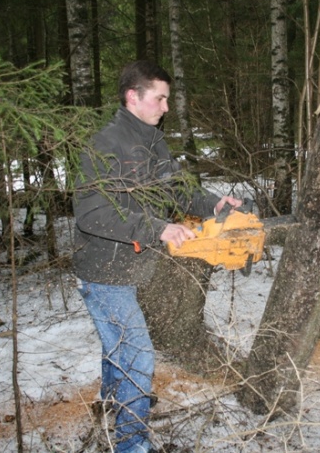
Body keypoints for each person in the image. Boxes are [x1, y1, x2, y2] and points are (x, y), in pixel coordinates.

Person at [72, 60, 241, 453]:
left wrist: (215, 203)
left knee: (118, 350)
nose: (166, 107)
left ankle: (110, 412)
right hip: (103, 271)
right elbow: (91, 213)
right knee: (138, 358)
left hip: (131, 267)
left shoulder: (153, 141)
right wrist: (157, 228)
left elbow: (176, 191)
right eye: (160, 98)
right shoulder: (104, 143)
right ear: (134, 96)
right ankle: (132, 446)